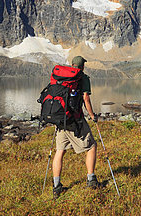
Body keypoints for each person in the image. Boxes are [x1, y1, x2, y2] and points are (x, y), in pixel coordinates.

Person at [52, 55, 102, 199]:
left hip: (61, 119)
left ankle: (56, 186)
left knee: (60, 151)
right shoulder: (83, 78)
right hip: (74, 120)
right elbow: (86, 98)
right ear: (82, 66)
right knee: (91, 146)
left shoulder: (60, 75)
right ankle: (91, 179)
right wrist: (92, 116)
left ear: (72, 64)